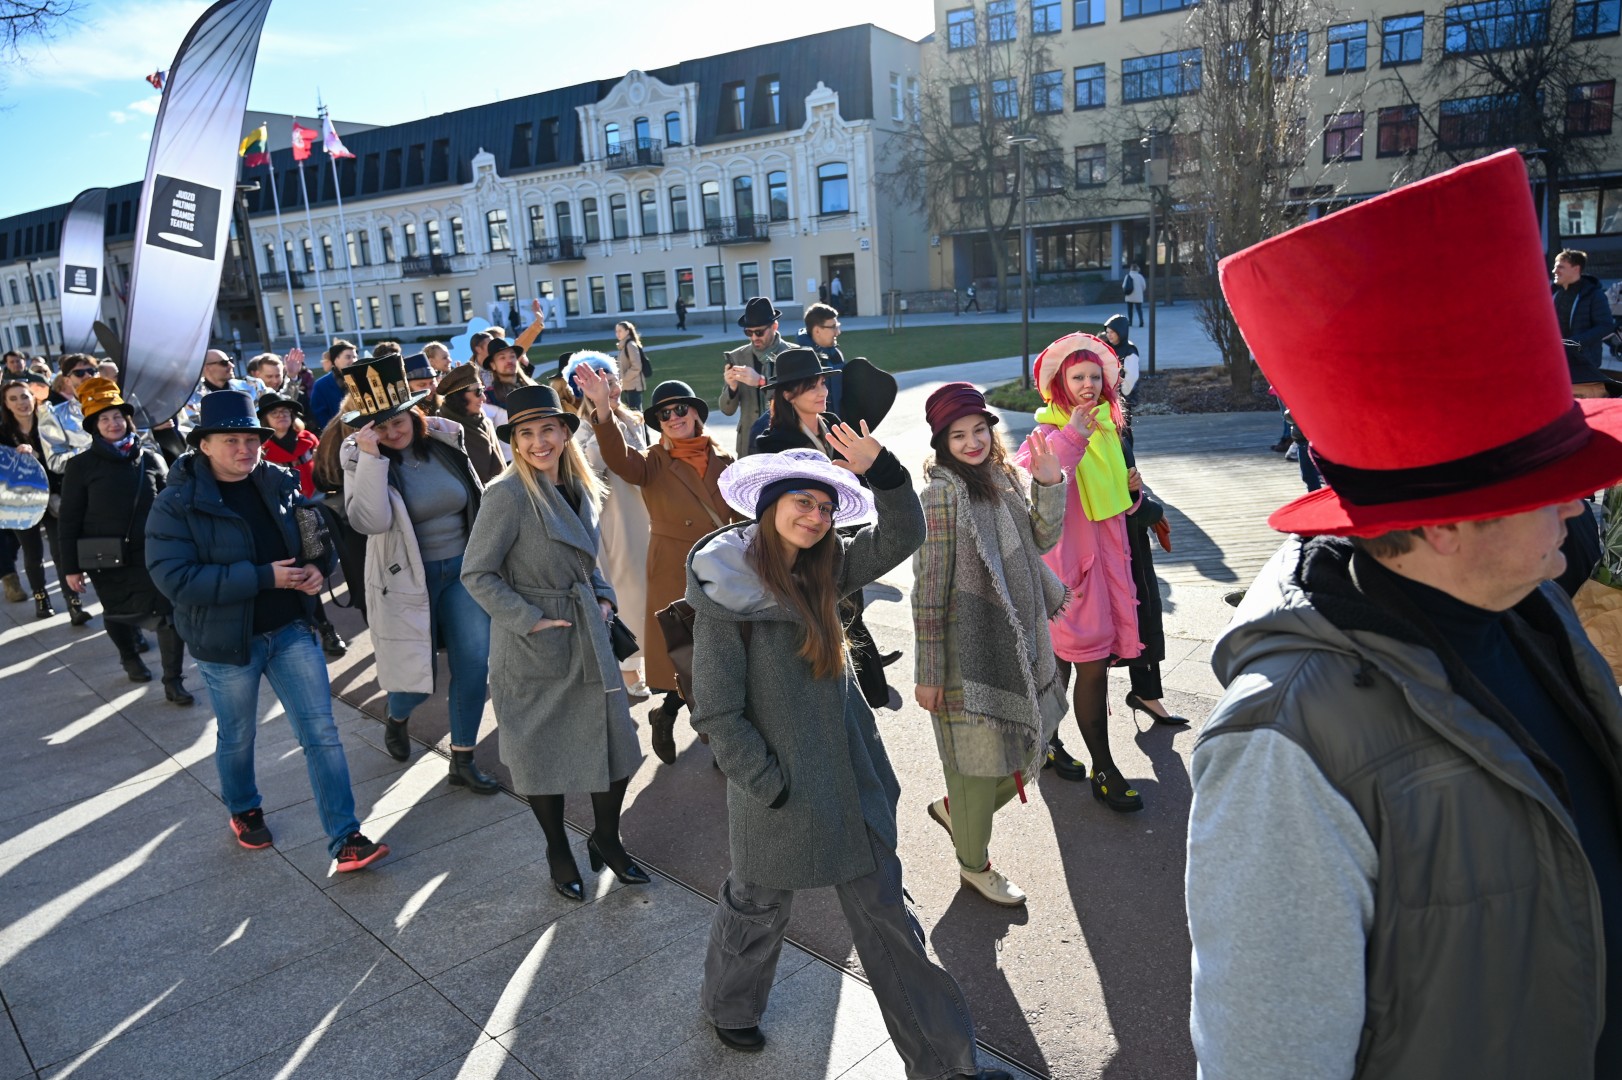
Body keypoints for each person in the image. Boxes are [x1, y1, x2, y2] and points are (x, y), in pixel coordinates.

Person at [1187, 148, 1622, 1079]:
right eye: (1544, 486)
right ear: (1445, 524)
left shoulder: (1528, 606)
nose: (1577, 502)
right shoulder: (1282, 746)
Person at [688, 440, 1011, 1080]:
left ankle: (947, 1068)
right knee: (756, 905)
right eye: (802, 503)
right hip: (776, 793)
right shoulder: (727, 594)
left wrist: (883, 470)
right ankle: (729, 1006)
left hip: (847, 782)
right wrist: (770, 784)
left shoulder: (824, 568)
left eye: (826, 508)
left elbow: (903, 533)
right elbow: (717, 711)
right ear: (769, 505)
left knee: (890, 923)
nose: (815, 517)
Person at [145, 389, 388, 871]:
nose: (245, 449)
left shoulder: (277, 481)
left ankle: (346, 837)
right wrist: (263, 577)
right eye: (231, 440)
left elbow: (314, 535)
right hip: (226, 642)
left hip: (291, 629)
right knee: (238, 734)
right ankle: (243, 807)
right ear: (204, 446)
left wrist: (318, 567)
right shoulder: (175, 503)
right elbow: (175, 579)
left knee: (321, 732)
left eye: (251, 439)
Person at [461, 384, 649, 900]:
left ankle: (607, 837)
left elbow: (587, 562)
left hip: (587, 630)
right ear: (515, 442)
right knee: (540, 756)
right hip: (534, 643)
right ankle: (557, 848)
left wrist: (604, 597)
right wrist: (530, 619)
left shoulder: (581, 484)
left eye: (548, 429)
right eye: (526, 433)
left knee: (617, 746)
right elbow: (476, 573)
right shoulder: (506, 494)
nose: (538, 442)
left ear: (566, 433)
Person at [912, 383, 1068, 907]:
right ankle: (973, 865)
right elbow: (928, 589)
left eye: (979, 429)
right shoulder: (941, 495)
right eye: (959, 435)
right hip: (966, 653)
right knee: (975, 769)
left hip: (1019, 640)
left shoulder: (1003, 476)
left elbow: (1041, 541)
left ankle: (956, 811)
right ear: (942, 442)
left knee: (1032, 739)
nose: (973, 442)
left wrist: (1049, 484)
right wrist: (929, 672)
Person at [340, 354, 497, 792]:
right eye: (380, 427)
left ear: (414, 412)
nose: (393, 432)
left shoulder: (445, 440)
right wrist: (371, 457)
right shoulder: (360, 458)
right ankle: (397, 715)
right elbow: (370, 521)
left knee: (473, 664)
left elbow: (475, 495)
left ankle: (462, 759)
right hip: (406, 578)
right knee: (415, 677)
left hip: (464, 571)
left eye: (398, 420)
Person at [575, 367, 741, 764]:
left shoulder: (724, 457)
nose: (673, 418)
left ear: (696, 412)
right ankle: (676, 719)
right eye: (664, 414)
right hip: (674, 569)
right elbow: (617, 458)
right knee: (684, 657)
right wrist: (602, 407)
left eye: (680, 409)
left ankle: (695, 727)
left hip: (722, 567)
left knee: (722, 657)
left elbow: (739, 512)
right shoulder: (652, 462)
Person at [1016, 332, 1144, 810]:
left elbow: (1109, 508)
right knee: (1089, 668)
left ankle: (1047, 742)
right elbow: (1030, 483)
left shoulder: (1107, 431)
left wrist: (1133, 491)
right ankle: (1104, 769)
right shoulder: (1046, 434)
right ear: (1060, 384)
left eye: (1094, 376)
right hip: (1069, 580)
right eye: (1077, 377)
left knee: (1063, 667)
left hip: (1104, 573)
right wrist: (1073, 434)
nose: (1088, 385)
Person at [755, 347, 902, 709]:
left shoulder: (834, 423)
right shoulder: (773, 442)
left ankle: (865, 701)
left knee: (852, 614)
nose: (822, 392)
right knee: (833, 618)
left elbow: (859, 482)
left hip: (845, 535)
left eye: (822, 383)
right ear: (788, 394)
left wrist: (859, 473)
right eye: (812, 386)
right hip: (806, 549)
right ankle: (859, 700)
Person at [57, 378, 192, 703]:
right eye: (104, 418)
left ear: (127, 419)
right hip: (106, 557)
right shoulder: (80, 466)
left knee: (169, 616)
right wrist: (71, 568)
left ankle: (173, 680)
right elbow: (69, 519)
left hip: (154, 553)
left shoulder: (150, 459)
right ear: (94, 426)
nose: (112, 423)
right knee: (117, 612)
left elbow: (173, 505)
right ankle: (129, 657)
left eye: (117, 416)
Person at [566, 352, 653, 701]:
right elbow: (592, 471)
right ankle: (629, 665)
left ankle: (650, 656)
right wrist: (602, 415)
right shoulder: (579, 429)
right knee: (627, 589)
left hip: (645, 512)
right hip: (615, 518)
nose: (610, 388)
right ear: (584, 389)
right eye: (599, 383)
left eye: (612, 380)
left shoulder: (634, 418)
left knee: (649, 586)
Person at [258, 392, 348, 658]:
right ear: (264, 419)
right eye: (275, 413)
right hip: (287, 518)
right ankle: (324, 628)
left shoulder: (309, 439)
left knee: (340, 559)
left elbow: (326, 470)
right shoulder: (261, 449)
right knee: (306, 571)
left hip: (321, 509)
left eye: (286, 411)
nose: (281, 416)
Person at [2, 378, 87, 623]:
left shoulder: (50, 423)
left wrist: (39, 455)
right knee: (32, 553)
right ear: (6, 404)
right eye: (13, 398)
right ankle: (41, 597)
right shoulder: (3, 432)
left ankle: (74, 603)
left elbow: (65, 456)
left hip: (55, 496)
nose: (21, 402)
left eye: (25, 396)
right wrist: (16, 457)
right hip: (21, 500)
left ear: (34, 397)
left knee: (61, 551)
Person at [718, 296, 794, 459]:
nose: (754, 338)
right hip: (749, 444)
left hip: (785, 440)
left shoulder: (792, 354)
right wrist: (732, 387)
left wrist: (761, 381)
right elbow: (727, 410)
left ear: (774, 326)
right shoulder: (737, 357)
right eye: (748, 332)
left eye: (759, 332)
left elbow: (797, 397)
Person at [1553, 248, 1617, 397]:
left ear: (1576, 269)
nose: (1554, 271)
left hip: (1584, 362)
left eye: (1560, 267)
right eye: (1555, 267)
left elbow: (1606, 325)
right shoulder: (1554, 292)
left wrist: (1574, 342)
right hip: (1557, 359)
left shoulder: (1594, 294)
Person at [434, 364, 504, 484]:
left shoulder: (484, 421)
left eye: (483, 390)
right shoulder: (442, 429)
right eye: (478, 392)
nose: (484, 398)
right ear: (459, 396)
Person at [795, 302, 846, 416]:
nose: (838, 332)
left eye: (837, 326)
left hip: (838, 423)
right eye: (833, 327)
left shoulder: (836, 353)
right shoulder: (801, 359)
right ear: (817, 331)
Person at [308, 340, 358, 432]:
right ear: (335, 360)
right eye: (348, 357)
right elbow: (320, 416)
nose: (353, 361)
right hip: (336, 434)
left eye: (355, 357)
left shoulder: (362, 379)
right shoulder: (321, 385)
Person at [1103, 314, 1140, 398]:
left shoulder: (1130, 351)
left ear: (1120, 332)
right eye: (1107, 332)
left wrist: (1122, 393)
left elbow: (1131, 377)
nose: (1109, 335)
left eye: (1112, 332)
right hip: (1109, 394)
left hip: (1124, 397)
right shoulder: (1108, 347)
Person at [614, 321, 649, 410]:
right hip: (627, 385)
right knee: (632, 413)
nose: (617, 333)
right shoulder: (623, 346)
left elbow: (637, 366)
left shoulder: (630, 345)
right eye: (616, 331)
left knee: (636, 413)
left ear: (627, 331)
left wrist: (625, 378)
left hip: (633, 386)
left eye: (620, 331)